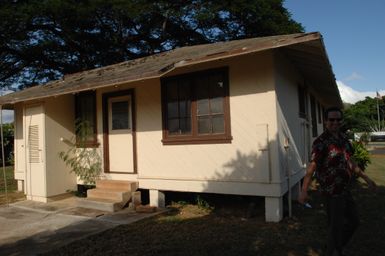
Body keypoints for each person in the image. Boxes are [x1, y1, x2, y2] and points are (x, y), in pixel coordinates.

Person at [298, 107, 377, 256]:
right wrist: (303, 191)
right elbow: (312, 167)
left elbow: (351, 162)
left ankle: (336, 247)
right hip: (331, 193)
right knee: (335, 226)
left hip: (345, 190)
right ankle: (333, 251)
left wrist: (367, 179)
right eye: (331, 119)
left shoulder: (344, 140)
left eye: (338, 119)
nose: (335, 122)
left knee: (354, 222)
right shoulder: (321, 142)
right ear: (326, 121)